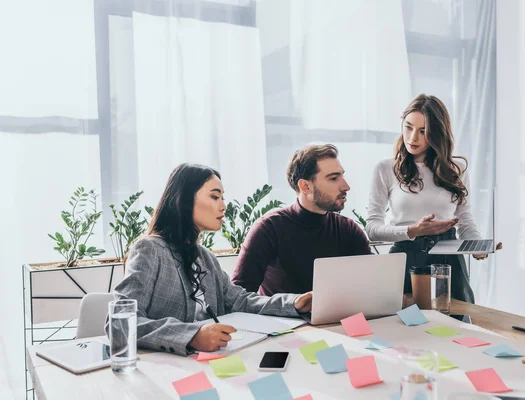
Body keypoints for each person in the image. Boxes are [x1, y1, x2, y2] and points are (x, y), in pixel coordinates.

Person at [109, 163, 312, 356]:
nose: (223, 206)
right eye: (215, 197)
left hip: (212, 361)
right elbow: (120, 322)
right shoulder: (149, 249)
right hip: (167, 368)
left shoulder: (205, 257)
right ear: (184, 199)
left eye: (223, 197)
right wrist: (191, 336)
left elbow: (240, 300)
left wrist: (294, 303)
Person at [366, 94, 501, 303]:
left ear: (437, 133)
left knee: (455, 330)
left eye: (423, 131)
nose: (412, 138)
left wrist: (477, 246)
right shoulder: (385, 169)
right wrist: (411, 231)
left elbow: (464, 219)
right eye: (408, 127)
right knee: (403, 328)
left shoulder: (456, 168)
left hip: (449, 261)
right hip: (404, 260)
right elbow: (372, 230)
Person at [231, 144, 372, 295]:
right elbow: (238, 296)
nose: (345, 186)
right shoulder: (268, 228)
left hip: (341, 317)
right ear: (305, 186)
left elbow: (372, 283)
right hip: (281, 318)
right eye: (333, 178)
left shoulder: (348, 229)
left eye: (342, 176)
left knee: (392, 319)